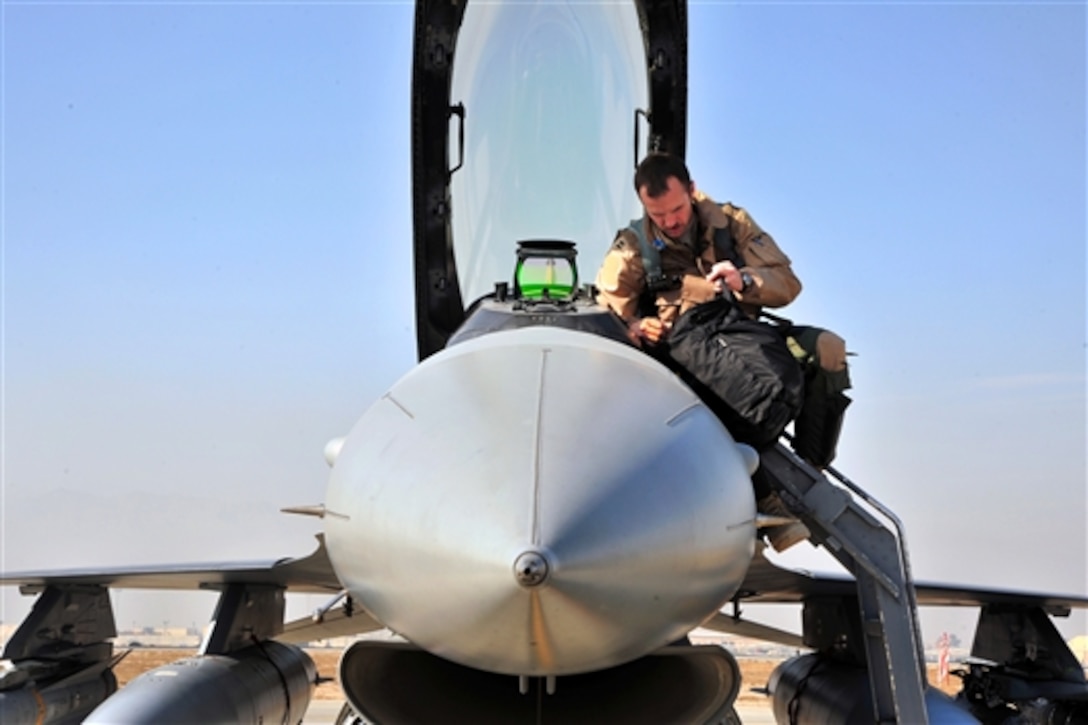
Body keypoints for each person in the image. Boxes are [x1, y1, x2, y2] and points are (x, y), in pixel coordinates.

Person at [595, 153, 851, 551]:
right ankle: (762, 490)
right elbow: (604, 311)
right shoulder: (631, 247)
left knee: (828, 349)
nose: (669, 222)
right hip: (682, 353)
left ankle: (807, 474)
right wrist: (633, 326)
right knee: (725, 384)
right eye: (657, 214)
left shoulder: (732, 223)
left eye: (677, 209)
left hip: (744, 335)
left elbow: (787, 281)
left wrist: (745, 278)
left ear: (692, 191)